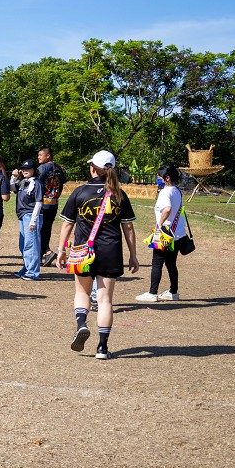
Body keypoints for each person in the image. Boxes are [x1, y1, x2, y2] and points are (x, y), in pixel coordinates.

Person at [58, 150, 139, 360]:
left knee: (82, 292)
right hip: (111, 251)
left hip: (83, 250)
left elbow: (67, 224)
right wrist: (133, 255)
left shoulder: (80, 192)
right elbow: (128, 227)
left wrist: (61, 250)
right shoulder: (120, 194)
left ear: (93, 168)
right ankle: (102, 348)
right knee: (105, 300)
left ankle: (81, 324)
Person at [137, 164, 187, 302]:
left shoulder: (165, 192)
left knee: (157, 263)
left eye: (159, 177)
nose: (157, 179)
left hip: (164, 234)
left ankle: (152, 293)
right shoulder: (177, 190)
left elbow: (167, 209)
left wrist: (159, 224)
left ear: (167, 178)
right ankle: (173, 292)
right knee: (171, 264)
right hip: (177, 234)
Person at [11, 159, 43, 280]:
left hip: (31, 215)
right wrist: (14, 177)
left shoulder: (37, 183)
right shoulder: (24, 182)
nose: (25, 171)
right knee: (23, 244)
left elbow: (39, 202)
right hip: (23, 215)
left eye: (28, 169)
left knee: (31, 244)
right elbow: (12, 188)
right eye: (23, 169)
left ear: (34, 170)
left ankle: (33, 272)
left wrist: (33, 221)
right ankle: (27, 268)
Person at [37, 147, 67, 266]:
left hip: (42, 204)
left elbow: (37, 184)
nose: (39, 157)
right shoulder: (58, 168)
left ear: (48, 156)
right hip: (53, 204)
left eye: (41, 155)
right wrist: (55, 196)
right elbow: (61, 185)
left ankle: (45, 252)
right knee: (46, 229)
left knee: (39, 229)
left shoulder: (42, 168)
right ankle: (45, 253)